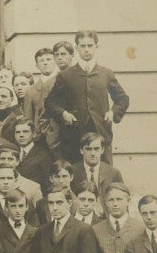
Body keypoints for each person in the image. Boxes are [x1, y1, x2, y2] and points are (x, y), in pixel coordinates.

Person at [44, 30, 130, 162]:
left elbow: (122, 99)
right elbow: (50, 103)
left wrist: (113, 112)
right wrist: (63, 114)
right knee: (76, 175)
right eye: (82, 46)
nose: (86, 50)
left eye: (90, 46)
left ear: (96, 47)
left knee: (104, 174)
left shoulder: (106, 73)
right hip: (74, 136)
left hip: (101, 133)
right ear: (77, 48)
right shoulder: (66, 75)